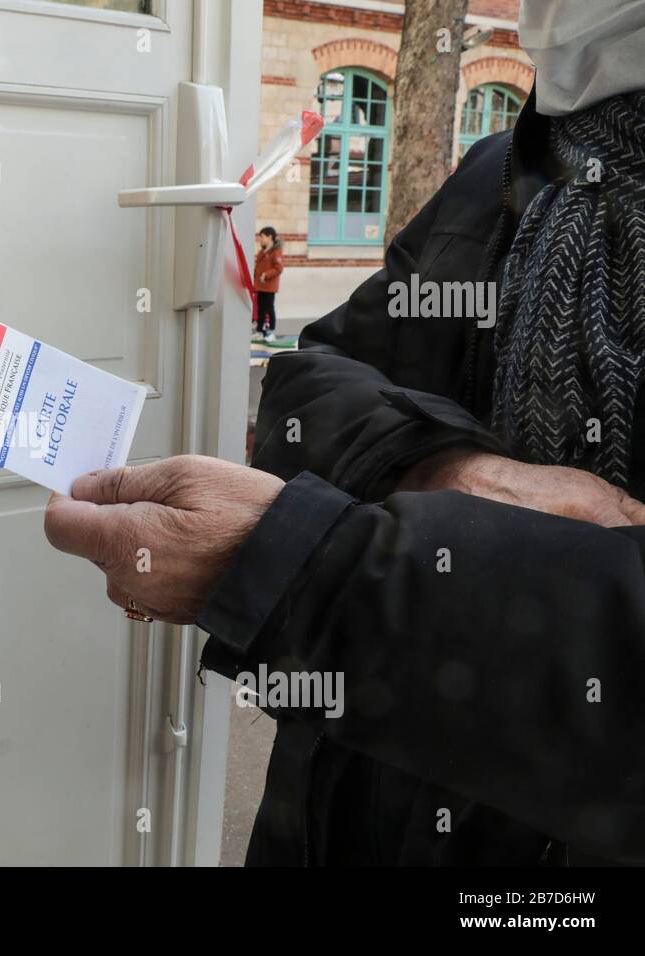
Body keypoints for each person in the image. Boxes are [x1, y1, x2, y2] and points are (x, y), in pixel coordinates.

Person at [43, 1, 645, 865]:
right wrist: (443, 465)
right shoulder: (505, 172)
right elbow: (311, 375)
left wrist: (303, 569)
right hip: (341, 814)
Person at [253, 226, 284, 343]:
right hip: (260, 286)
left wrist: (266, 274)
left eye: (262, 237)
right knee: (260, 309)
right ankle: (260, 331)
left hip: (269, 287)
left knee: (269, 308)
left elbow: (279, 268)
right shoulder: (263, 251)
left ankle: (271, 332)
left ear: (270, 237)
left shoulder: (276, 252)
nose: (260, 239)